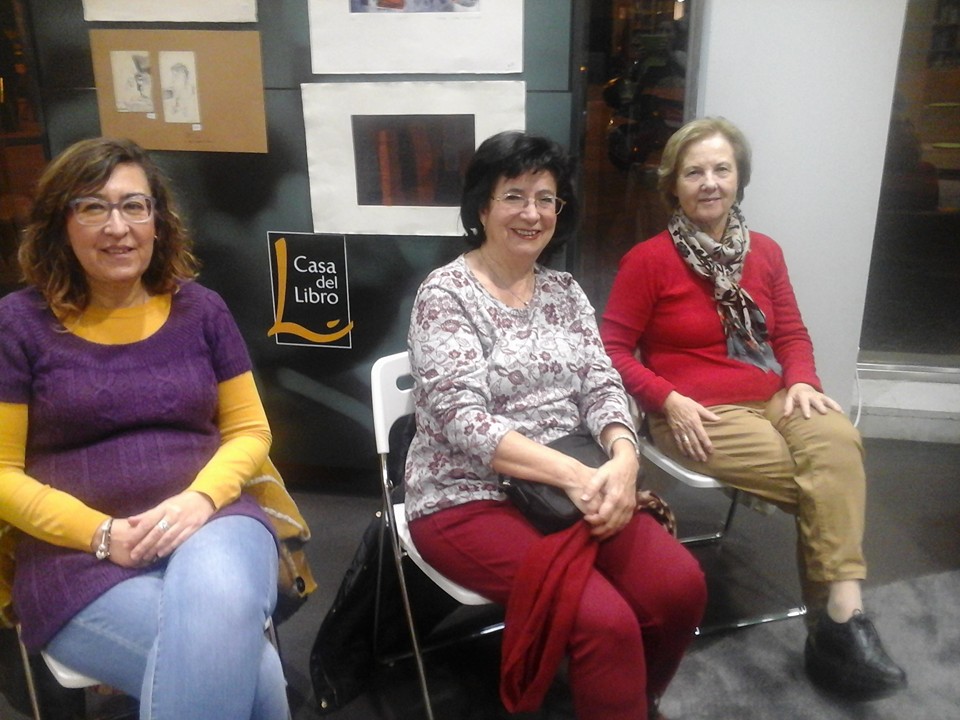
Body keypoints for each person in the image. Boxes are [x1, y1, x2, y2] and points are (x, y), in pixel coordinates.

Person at [600, 116, 907, 699]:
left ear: (739, 178)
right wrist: (667, 398)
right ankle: (841, 628)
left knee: (838, 441)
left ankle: (840, 615)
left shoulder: (764, 252)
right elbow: (610, 349)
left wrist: (803, 381)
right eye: (694, 172)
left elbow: (789, 333)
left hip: (773, 394)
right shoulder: (648, 260)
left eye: (722, 169)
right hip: (695, 411)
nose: (709, 182)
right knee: (829, 481)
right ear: (673, 185)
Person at [404, 130, 706, 720]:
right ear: (482, 208)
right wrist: (577, 476)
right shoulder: (445, 295)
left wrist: (624, 460)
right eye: (514, 196)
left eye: (546, 198)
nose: (532, 213)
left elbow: (602, 383)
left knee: (680, 588)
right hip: (468, 493)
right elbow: (463, 421)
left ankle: (631, 700)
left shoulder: (564, 292)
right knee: (602, 621)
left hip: (577, 484)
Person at [0, 137, 291, 719]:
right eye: (93, 207)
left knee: (219, 632)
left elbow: (250, 431)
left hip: (211, 519)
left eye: (134, 206)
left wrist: (198, 500)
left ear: (158, 220)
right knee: (256, 677)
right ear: (60, 223)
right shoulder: (18, 325)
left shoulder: (201, 310)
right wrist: (99, 533)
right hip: (75, 554)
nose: (118, 227)